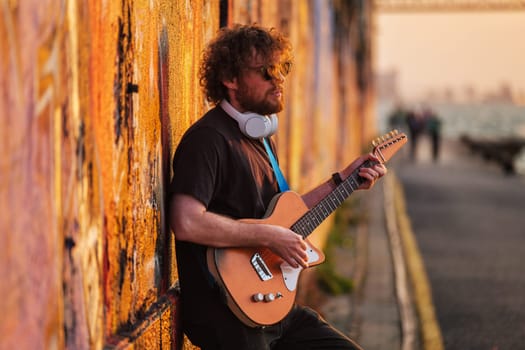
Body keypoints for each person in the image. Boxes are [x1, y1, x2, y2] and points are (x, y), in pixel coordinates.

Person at [169, 24, 386, 350]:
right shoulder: (208, 139)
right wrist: (267, 235)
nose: (279, 80)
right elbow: (186, 222)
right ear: (230, 79)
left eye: (282, 70)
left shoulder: (259, 139)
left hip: (273, 309)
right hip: (227, 315)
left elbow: (286, 219)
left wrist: (344, 181)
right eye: (266, 72)